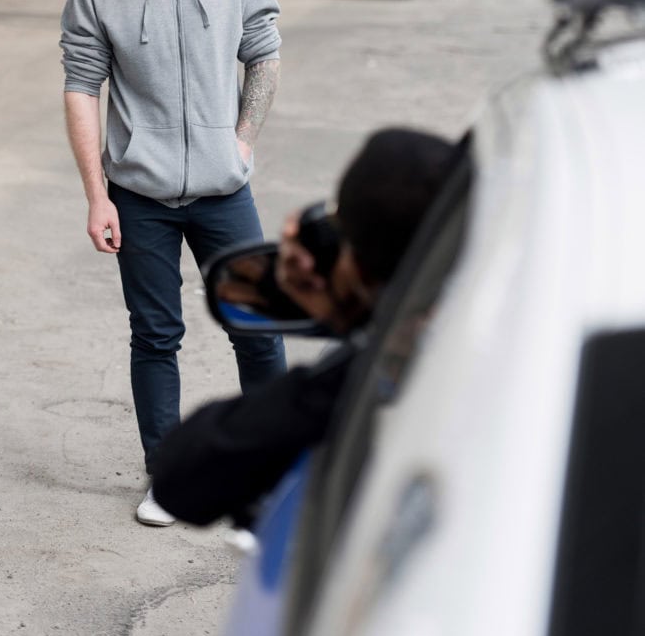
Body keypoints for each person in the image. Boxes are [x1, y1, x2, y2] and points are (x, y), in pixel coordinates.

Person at [59, 0, 287, 527]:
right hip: (139, 196)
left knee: (257, 325)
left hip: (225, 190)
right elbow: (81, 90)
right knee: (155, 334)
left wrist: (241, 140)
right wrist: (97, 194)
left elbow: (264, 54)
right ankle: (168, 478)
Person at [152, 127, 458, 528]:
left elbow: (182, 476)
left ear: (356, 266)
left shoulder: (354, 390)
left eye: (335, 228)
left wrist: (344, 312)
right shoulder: (506, 335)